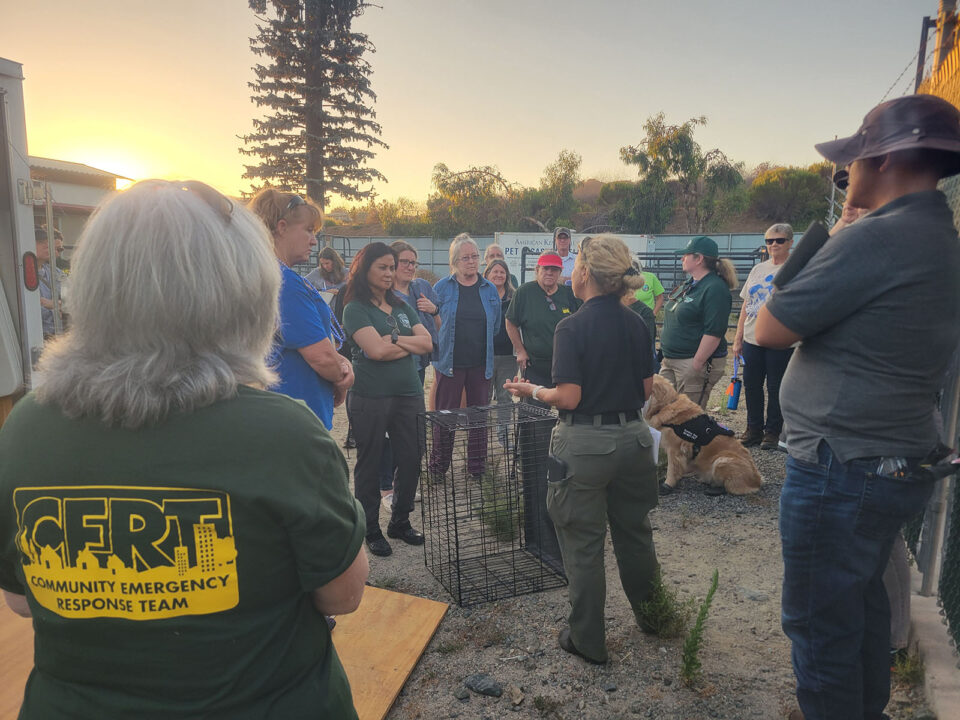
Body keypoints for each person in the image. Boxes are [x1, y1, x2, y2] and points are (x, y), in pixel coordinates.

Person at [0, 180, 368, 719]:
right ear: (242, 288)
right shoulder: (282, 434)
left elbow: (21, 600)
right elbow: (343, 597)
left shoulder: (26, 426)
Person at [755, 94, 960, 720]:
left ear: (887, 158)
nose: (847, 177)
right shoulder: (936, 234)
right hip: (884, 461)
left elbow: (767, 327)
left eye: (850, 166)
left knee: (820, 633)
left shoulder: (879, 238)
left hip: (840, 468)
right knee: (862, 614)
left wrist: (841, 228)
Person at [505, 234, 658, 665]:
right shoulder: (638, 322)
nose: (569, 272)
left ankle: (588, 639)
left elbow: (568, 398)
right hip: (634, 438)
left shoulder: (570, 326)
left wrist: (531, 389)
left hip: (586, 444)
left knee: (583, 543)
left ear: (586, 273)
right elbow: (646, 389)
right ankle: (654, 617)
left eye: (574, 266)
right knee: (635, 535)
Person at [342, 242, 433, 557]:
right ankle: (370, 528)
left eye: (392, 267)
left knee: (411, 458)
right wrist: (408, 344)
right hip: (370, 397)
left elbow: (427, 343)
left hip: (409, 394)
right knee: (369, 462)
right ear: (365, 268)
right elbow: (375, 352)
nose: (390, 273)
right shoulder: (355, 308)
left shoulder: (402, 306)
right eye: (383, 267)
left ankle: (400, 521)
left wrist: (393, 338)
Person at [249, 189, 353, 431]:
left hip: (277, 413)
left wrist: (339, 363)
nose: (314, 240)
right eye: (308, 230)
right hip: (298, 420)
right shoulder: (284, 282)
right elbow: (322, 358)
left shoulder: (258, 275)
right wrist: (344, 375)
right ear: (282, 227)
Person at [429, 233, 502, 480]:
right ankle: (438, 469)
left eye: (474, 257)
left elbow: (496, 326)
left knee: (479, 419)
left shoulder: (489, 289)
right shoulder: (441, 288)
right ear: (454, 262)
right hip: (449, 365)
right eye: (465, 258)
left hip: (481, 365)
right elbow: (432, 323)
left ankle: (477, 469)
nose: (471, 262)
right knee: (445, 419)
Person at [732, 223, 794, 450]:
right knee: (752, 384)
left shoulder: (796, 268)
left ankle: (773, 431)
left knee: (776, 386)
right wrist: (738, 337)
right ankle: (753, 427)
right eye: (769, 241)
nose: (774, 245)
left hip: (780, 336)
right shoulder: (758, 270)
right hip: (752, 335)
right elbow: (746, 304)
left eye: (779, 240)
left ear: (790, 242)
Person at [658, 236, 737, 410]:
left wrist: (696, 364)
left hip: (691, 361)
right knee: (662, 411)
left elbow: (714, 331)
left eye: (686, 255)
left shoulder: (714, 288)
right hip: (671, 359)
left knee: (686, 417)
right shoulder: (690, 284)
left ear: (699, 258)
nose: (682, 258)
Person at [505, 252, 581, 390]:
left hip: (565, 364)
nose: (549, 273)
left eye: (554, 269)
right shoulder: (524, 292)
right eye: (545, 268)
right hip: (535, 366)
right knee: (535, 409)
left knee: (565, 406)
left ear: (560, 272)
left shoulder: (569, 294)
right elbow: (510, 322)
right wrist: (520, 350)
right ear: (537, 269)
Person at [484, 259, 516, 407]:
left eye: (502, 272)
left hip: (508, 356)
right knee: (483, 398)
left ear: (507, 275)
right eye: (495, 271)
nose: (498, 275)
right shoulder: (480, 295)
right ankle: (481, 430)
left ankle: (503, 430)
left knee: (505, 398)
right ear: (487, 274)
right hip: (485, 356)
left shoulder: (514, 297)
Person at [34, 227, 67, 337]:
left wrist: (51, 304)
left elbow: (73, 302)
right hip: (39, 337)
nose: (47, 246)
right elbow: (32, 313)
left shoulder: (56, 272)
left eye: (47, 242)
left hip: (59, 336)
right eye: (41, 242)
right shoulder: (17, 275)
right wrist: (58, 307)